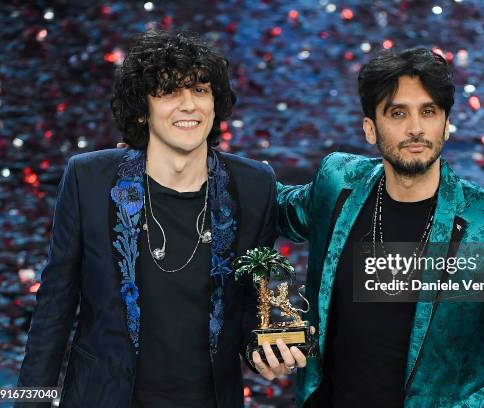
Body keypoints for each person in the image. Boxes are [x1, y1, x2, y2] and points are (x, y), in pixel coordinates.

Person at [17, 30, 305, 408]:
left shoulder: (253, 184)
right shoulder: (88, 178)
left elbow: (251, 302)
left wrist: (267, 350)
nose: (190, 105)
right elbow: (54, 309)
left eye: (201, 90)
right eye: (170, 92)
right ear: (142, 108)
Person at [276, 48, 484, 407]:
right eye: (398, 113)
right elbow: (266, 207)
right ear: (370, 128)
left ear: (446, 124)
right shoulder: (338, 184)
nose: (415, 128)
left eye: (428, 112)